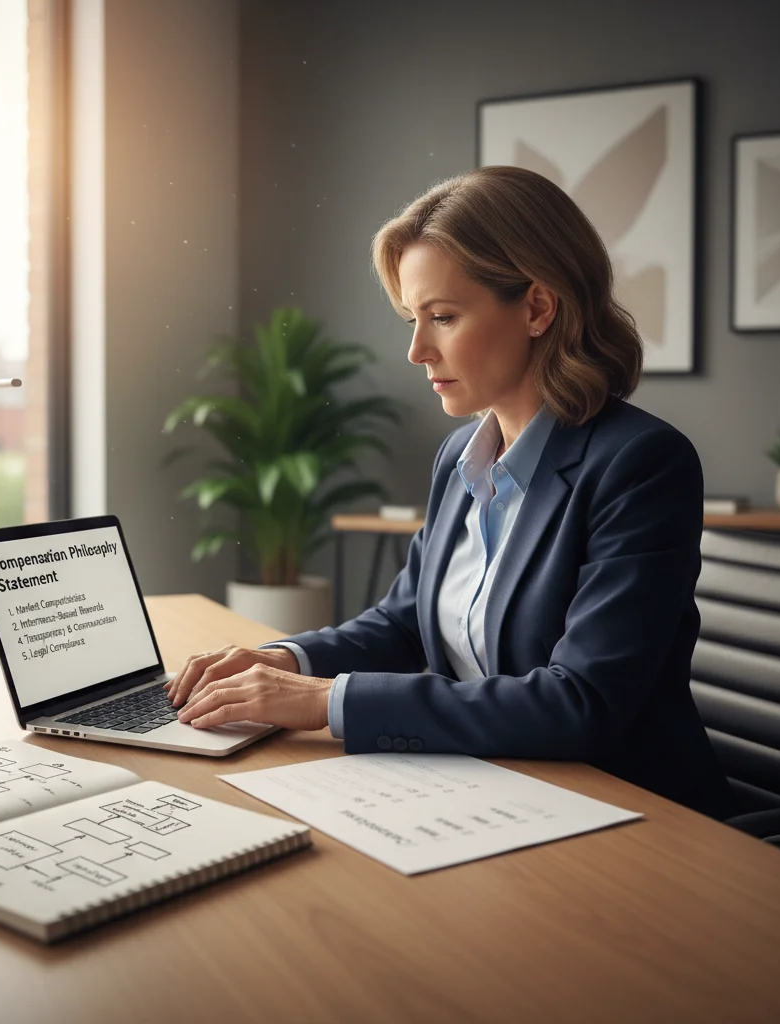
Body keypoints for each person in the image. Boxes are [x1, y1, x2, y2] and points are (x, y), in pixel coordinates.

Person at [166, 166, 733, 820]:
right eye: (413, 318)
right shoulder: (460, 456)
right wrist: (284, 660)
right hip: (490, 786)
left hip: (628, 809)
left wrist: (324, 701)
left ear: (537, 308)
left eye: (442, 317)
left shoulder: (640, 464)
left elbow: (581, 703)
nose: (416, 350)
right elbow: (406, 621)